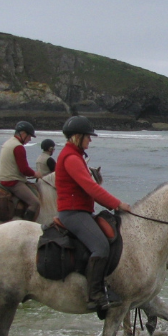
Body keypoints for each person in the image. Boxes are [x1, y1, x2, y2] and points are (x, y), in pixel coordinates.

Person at [54, 115, 132, 315]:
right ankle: (95, 295)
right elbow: (91, 188)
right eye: (88, 136)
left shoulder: (76, 155)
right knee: (100, 245)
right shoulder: (71, 158)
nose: (90, 140)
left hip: (81, 211)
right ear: (78, 136)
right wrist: (117, 204)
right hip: (72, 213)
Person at [0, 121, 42, 221]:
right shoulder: (18, 147)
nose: (30, 139)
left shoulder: (7, 143)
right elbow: (24, 169)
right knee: (35, 203)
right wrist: (36, 174)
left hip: (2, 179)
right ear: (23, 133)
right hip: (13, 182)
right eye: (29, 136)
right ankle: (25, 225)